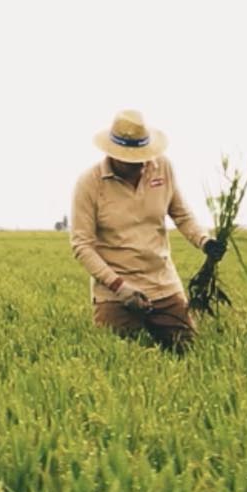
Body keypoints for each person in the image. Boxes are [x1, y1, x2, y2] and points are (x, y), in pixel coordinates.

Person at [68, 110, 223, 354]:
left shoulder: (162, 167)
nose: (139, 164)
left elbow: (181, 214)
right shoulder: (90, 183)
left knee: (190, 354)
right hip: (115, 293)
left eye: (142, 156)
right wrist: (119, 286)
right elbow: (82, 245)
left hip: (163, 285)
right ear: (112, 153)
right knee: (116, 359)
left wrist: (204, 241)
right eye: (130, 158)